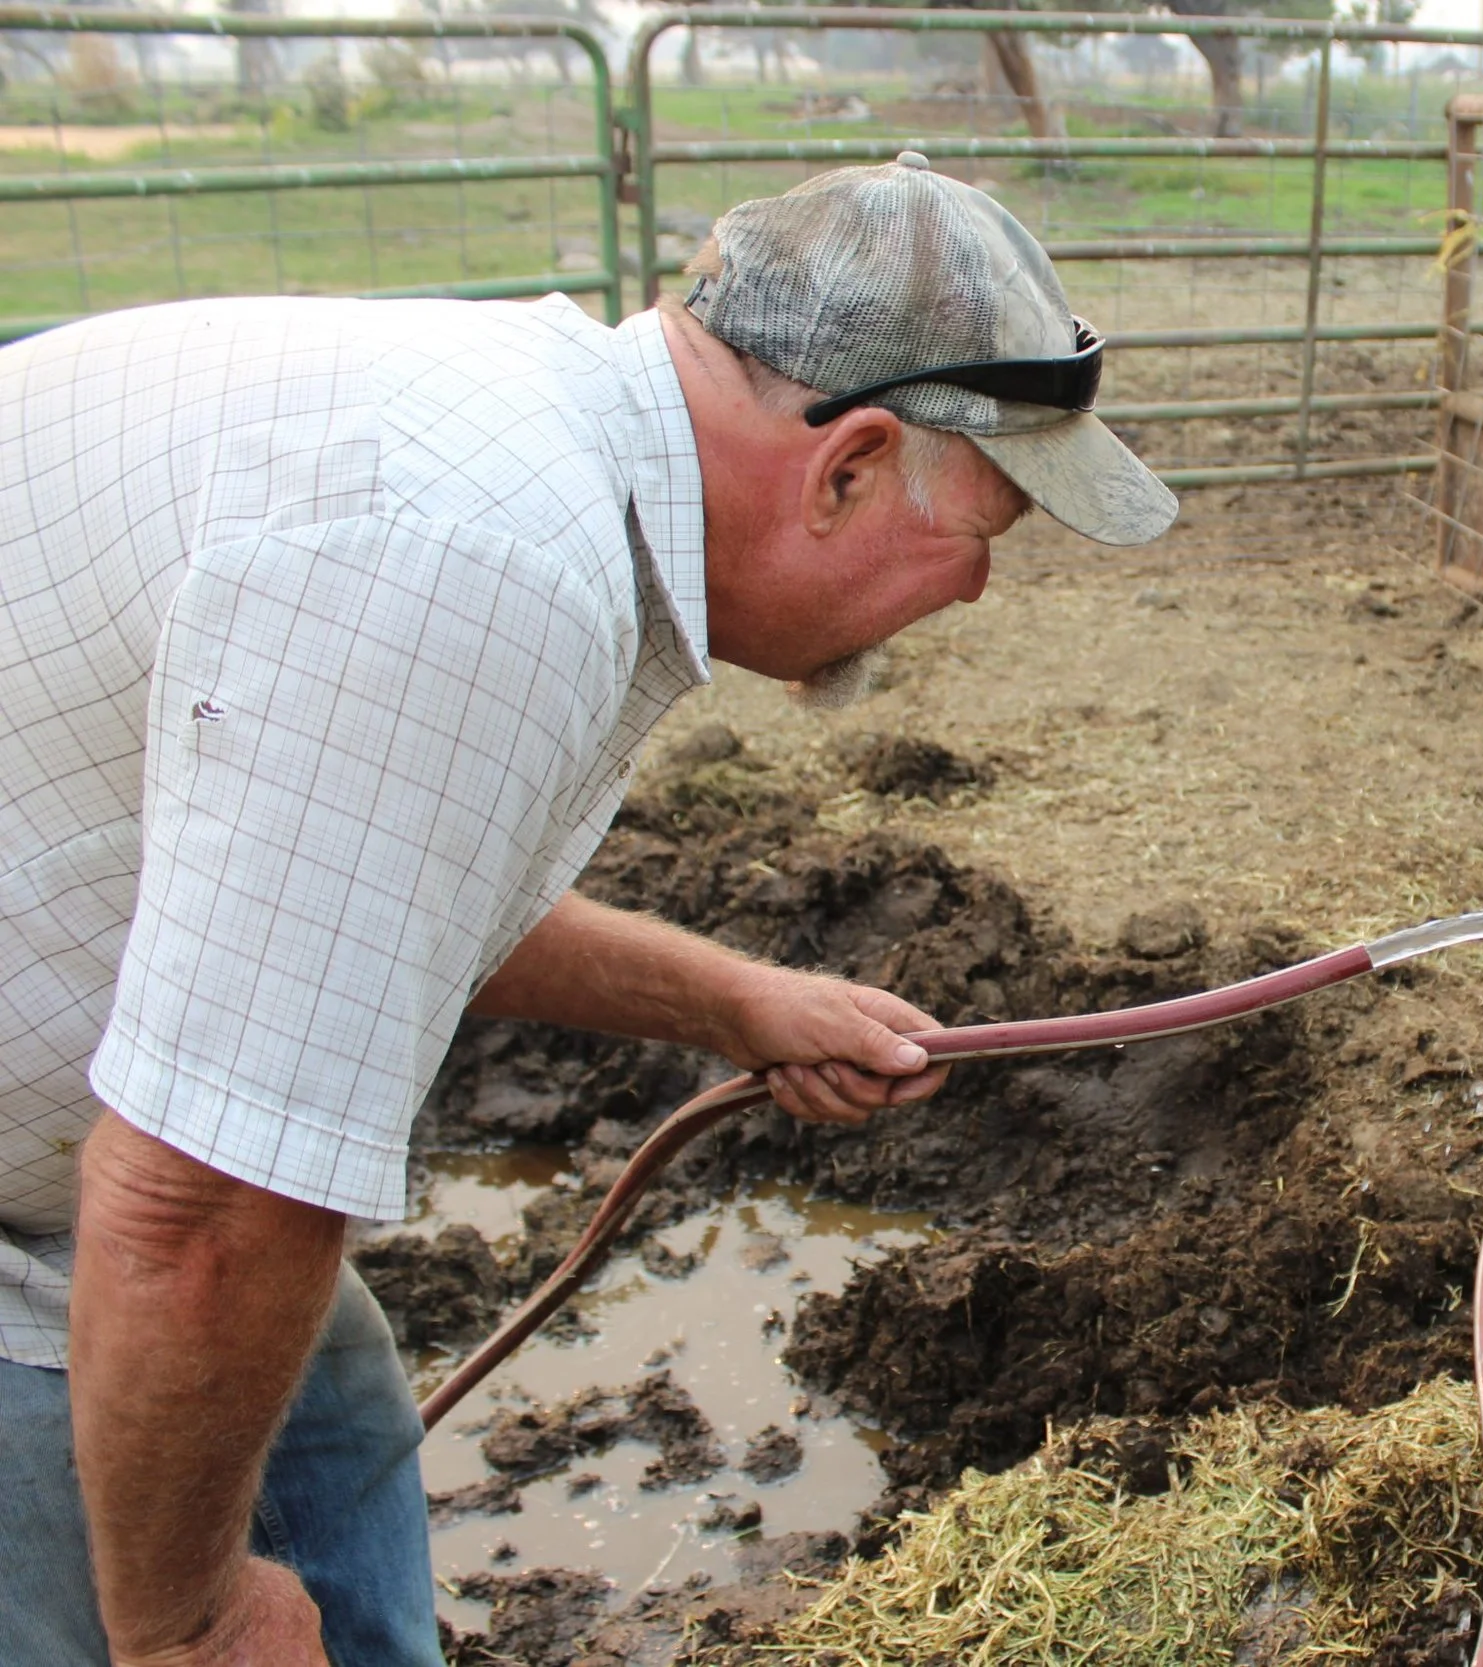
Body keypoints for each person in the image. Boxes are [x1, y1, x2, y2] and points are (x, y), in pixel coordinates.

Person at [0, 152, 1175, 1667]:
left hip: (66, 1184)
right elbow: (201, 1201)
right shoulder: (474, 559)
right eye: (989, 532)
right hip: (47, 1248)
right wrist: (183, 1620)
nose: (973, 592)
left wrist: (739, 1003)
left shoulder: (524, 473)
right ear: (848, 467)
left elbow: (360, 904)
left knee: (325, 1394)